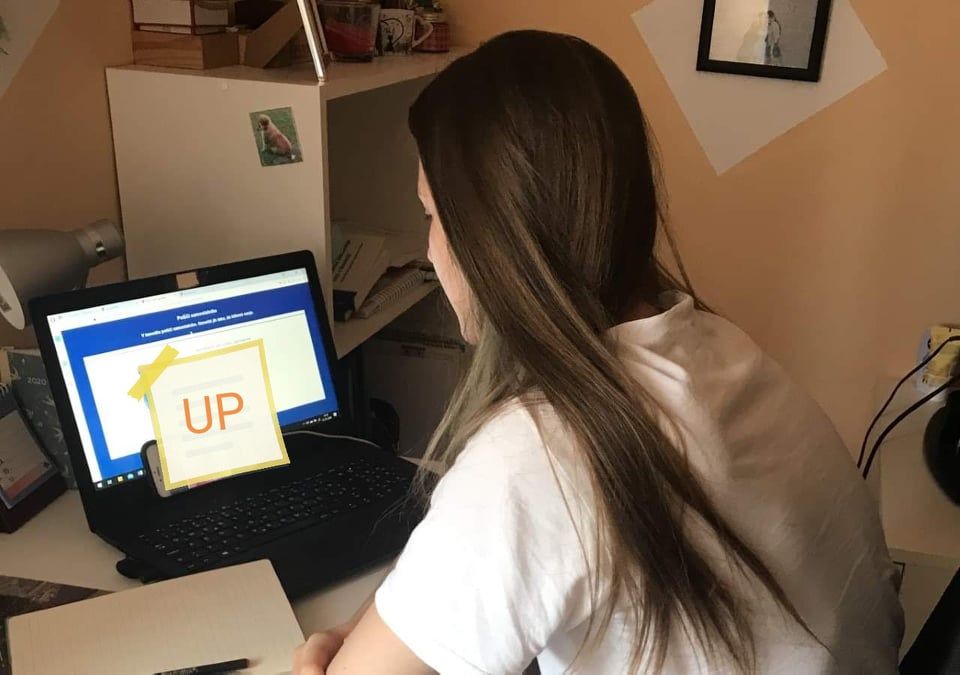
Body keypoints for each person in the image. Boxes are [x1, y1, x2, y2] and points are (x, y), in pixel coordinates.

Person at [293, 31, 903, 674]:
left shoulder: (540, 453)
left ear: (490, 239)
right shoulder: (715, 346)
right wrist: (396, 611)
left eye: (430, 217)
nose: (429, 249)